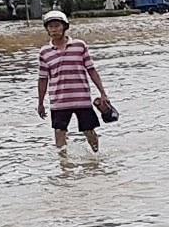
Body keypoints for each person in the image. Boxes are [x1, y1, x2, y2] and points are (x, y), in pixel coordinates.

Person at [36, 10, 113, 154]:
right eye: (50, 26)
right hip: (59, 101)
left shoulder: (79, 46)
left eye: (57, 26)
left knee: (89, 131)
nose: (54, 29)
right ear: (47, 29)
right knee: (59, 132)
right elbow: (43, 79)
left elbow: (91, 70)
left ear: (64, 27)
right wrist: (40, 103)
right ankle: (64, 166)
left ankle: (96, 159)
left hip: (82, 99)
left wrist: (103, 93)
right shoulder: (44, 52)